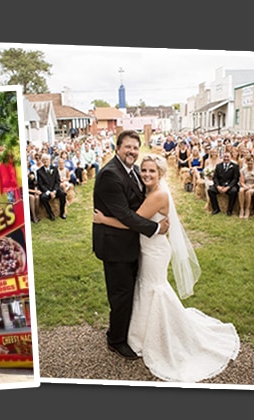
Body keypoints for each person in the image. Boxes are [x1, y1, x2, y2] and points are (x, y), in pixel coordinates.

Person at [93, 154, 240, 382]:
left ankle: (156, 336)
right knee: (146, 288)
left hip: (154, 251)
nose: (147, 175)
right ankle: (141, 333)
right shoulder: (152, 190)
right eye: (144, 170)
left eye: (152, 171)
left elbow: (131, 222)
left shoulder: (159, 194)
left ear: (161, 173)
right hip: (148, 246)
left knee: (154, 289)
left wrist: (103, 221)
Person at [92, 131, 169, 361]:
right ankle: (116, 341)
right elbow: (126, 215)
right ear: (117, 148)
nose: (132, 152)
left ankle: (126, 331)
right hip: (115, 247)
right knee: (121, 294)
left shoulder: (134, 170)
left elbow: (139, 206)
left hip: (134, 244)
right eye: (127, 147)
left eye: (135, 148)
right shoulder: (109, 175)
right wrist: (155, 229)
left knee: (131, 291)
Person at [207, 151, 240, 216]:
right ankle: (216, 208)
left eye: (228, 157)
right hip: (220, 185)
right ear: (222, 157)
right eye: (225, 157)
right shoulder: (218, 166)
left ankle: (229, 210)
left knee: (234, 191)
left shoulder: (235, 166)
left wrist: (228, 187)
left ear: (230, 157)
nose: (226, 158)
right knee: (210, 190)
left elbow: (235, 179)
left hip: (230, 185)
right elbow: (215, 177)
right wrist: (218, 186)